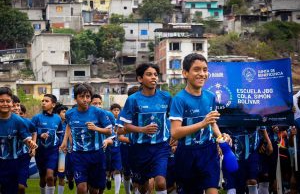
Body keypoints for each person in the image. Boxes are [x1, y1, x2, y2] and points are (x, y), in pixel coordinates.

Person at [169, 53, 228, 194]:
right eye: (197, 69)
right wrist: (202, 123)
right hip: (186, 154)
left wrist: (221, 138)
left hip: (208, 151)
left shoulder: (210, 96)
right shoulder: (179, 99)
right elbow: (175, 132)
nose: (202, 74)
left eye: (205, 69)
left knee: (213, 190)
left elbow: (212, 123)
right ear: (185, 73)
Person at [120, 63, 172, 194]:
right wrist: (142, 129)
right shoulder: (133, 100)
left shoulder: (166, 97)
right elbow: (124, 127)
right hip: (139, 149)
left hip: (161, 147)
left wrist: (174, 137)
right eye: (149, 74)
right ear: (140, 79)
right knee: (142, 187)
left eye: (155, 75)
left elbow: (172, 119)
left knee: (160, 182)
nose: (153, 77)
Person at [60, 83, 112, 194]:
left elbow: (109, 131)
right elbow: (69, 125)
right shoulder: (69, 114)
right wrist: (65, 142)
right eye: (82, 97)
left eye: (88, 97)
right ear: (75, 99)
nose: (85, 100)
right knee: (81, 188)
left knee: (94, 190)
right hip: (78, 155)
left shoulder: (99, 112)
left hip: (96, 154)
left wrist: (96, 128)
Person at [0, 87, 37, 194]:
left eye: (8, 101)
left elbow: (26, 137)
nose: (5, 104)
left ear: (12, 103)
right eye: (1, 101)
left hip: (13, 163)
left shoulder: (18, 121)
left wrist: (31, 143)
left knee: (13, 190)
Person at [31, 94, 63, 194]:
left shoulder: (57, 119)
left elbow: (60, 134)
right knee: (42, 177)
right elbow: (31, 134)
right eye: (43, 101)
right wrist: (40, 135)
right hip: (40, 151)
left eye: (46, 101)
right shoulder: (36, 118)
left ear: (53, 104)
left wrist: (61, 146)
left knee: (50, 176)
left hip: (53, 151)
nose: (43, 103)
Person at [12, 95, 37, 194]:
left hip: (23, 156)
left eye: (18, 105)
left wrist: (33, 147)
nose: (17, 108)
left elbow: (34, 131)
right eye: (14, 105)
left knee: (21, 186)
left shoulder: (26, 122)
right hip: (7, 158)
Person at [55, 105, 75, 193]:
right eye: (63, 112)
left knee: (71, 173)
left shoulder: (70, 123)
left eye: (66, 112)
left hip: (71, 152)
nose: (65, 114)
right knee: (61, 175)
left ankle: (70, 180)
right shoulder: (55, 124)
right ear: (58, 114)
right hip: (61, 153)